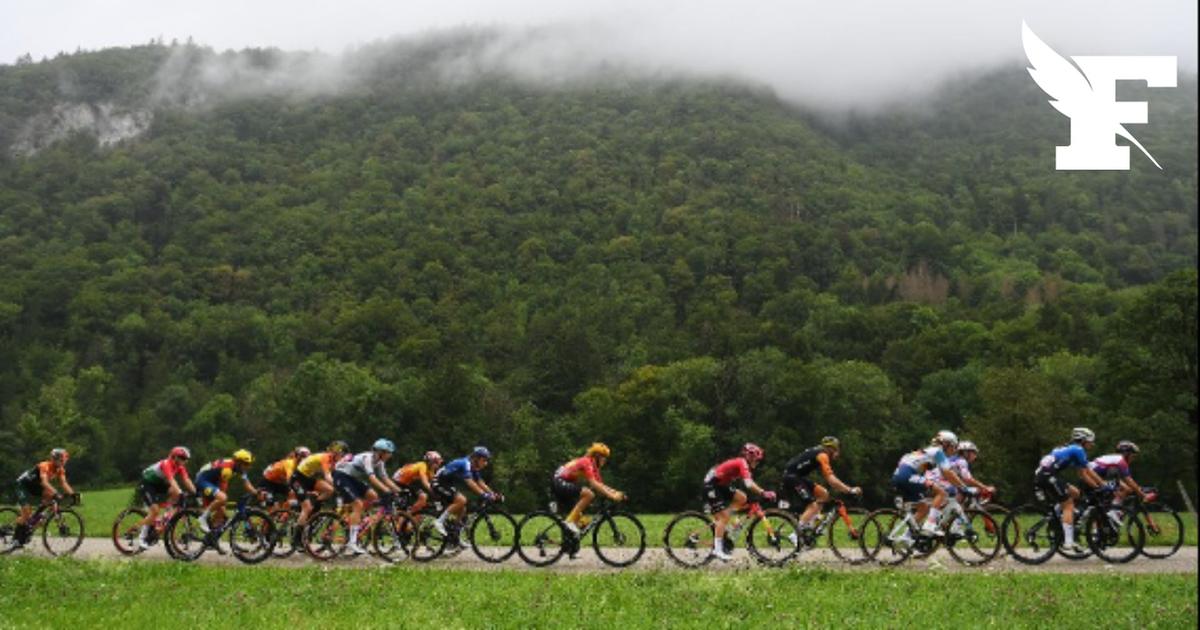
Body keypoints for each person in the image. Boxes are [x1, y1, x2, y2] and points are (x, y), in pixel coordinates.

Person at [1034, 427, 1104, 553]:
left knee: (1075, 493)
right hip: (1047, 476)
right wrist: (1100, 487)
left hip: (1046, 475)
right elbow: (1083, 475)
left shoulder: (1070, 448)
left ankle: (1058, 518)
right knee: (1068, 505)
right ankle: (1068, 541)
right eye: (1090, 441)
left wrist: (1101, 484)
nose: (1092, 444)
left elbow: (1087, 471)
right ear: (1082, 441)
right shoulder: (1078, 450)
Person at [703, 443, 776, 562]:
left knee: (741, 498)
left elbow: (748, 482)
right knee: (723, 518)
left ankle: (727, 521)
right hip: (711, 485)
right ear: (749, 457)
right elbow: (748, 484)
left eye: (758, 460)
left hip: (721, 485)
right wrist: (763, 492)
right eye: (755, 460)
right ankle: (717, 550)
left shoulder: (743, 463)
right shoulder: (742, 462)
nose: (757, 463)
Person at [333, 439, 403, 554]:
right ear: (380, 452)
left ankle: (357, 519)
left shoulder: (380, 462)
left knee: (373, 496)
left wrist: (400, 491)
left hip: (351, 478)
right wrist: (387, 491)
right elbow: (372, 478)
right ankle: (352, 541)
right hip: (341, 475)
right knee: (358, 504)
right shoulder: (368, 458)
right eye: (388, 452)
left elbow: (385, 478)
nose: (390, 455)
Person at [891, 430, 966, 538]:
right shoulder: (938, 452)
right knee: (942, 493)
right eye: (953, 446)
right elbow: (948, 473)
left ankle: (905, 538)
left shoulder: (927, 451)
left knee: (924, 508)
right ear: (946, 444)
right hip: (907, 475)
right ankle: (929, 525)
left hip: (898, 476)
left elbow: (942, 474)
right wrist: (963, 486)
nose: (954, 450)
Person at [780, 436, 861, 530]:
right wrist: (849, 490)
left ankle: (809, 523)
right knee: (813, 505)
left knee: (823, 494)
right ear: (830, 449)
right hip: (791, 478)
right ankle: (796, 535)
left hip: (796, 477)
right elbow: (830, 479)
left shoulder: (820, 452)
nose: (838, 453)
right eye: (836, 450)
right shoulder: (822, 455)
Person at [552, 442, 626, 535]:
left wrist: (616, 492)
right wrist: (612, 496)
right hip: (559, 481)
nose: (605, 460)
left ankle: (569, 543)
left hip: (565, 483)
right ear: (597, 456)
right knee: (589, 494)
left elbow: (600, 485)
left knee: (583, 521)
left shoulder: (593, 467)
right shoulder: (586, 462)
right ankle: (569, 522)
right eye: (604, 457)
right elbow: (593, 484)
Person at [134, 446, 198, 549]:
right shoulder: (166, 463)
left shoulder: (180, 467)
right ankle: (141, 538)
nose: (184, 460)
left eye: (185, 459)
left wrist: (196, 492)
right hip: (147, 483)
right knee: (154, 511)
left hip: (159, 484)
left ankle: (166, 514)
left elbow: (187, 480)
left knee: (175, 493)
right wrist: (181, 493)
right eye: (182, 457)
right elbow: (172, 481)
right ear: (174, 456)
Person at [431, 446, 502, 540]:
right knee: (462, 500)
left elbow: (480, 482)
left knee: (463, 510)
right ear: (476, 458)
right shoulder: (465, 463)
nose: (486, 463)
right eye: (484, 460)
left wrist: (493, 494)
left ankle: (454, 536)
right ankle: (439, 522)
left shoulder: (473, 467)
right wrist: (484, 495)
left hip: (447, 484)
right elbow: (470, 482)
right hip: (438, 483)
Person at [10, 448, 76, 548]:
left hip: (36, 487)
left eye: (65, 460)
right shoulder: (45, 465)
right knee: (27, 512)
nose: (63, 462)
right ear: (54, 459)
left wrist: (73, 496)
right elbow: (44, 482)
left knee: (51, 503)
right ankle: (15, 539)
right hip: (23, 485)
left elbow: (64, 483)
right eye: (61, 460)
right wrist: (56, 493)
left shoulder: (60, 469)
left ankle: (32, 524)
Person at [290, 440, 350, 540]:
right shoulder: (325, 457)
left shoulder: (333, 461)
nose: (343, 457)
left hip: (308, 478)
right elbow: (327, 476)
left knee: (329, 490)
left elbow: (336, 476)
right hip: (297, 478)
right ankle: (297, 539)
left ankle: (314, 506)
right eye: (342, 454)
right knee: (307, 508)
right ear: (336, 452)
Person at [195, 449, 261, 535]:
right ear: (238, 462)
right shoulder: (227, 469)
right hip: (203, 480)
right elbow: (223, 489)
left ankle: (210, 537)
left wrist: (256, 493)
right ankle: (203, 517)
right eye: (246, 464)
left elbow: (247, 484)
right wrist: (222, 503)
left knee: (221, 512)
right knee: (223, 499)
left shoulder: (239, 468)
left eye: (249, 464)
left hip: (213, 482)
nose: (248, 467)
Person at [1088, 440, 1150, 518]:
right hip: (1093, 476)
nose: (1133, 459)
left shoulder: (1114, 459)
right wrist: (1143, 495)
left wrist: (1136, 490)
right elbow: (1129, 480)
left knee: (1126, 489)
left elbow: (1121, 481)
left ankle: (1112, 511)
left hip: (1095, 475)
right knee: (1102, 504)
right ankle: (1112, 512)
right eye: (1133, 456)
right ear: (1126, 453)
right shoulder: (1121, 461)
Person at [392, 450, 443, 517]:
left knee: (423, 497)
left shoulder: (431, 469)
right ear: (430, 462)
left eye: (438, 463)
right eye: (436, 462)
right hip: (399, 480)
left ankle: (411, 517)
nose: (438, 465)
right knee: (403, 505)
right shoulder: (422, 466)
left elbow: (433, 482)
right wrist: (434, 492)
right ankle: (407, 516)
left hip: (409, 482)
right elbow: (425, 482)